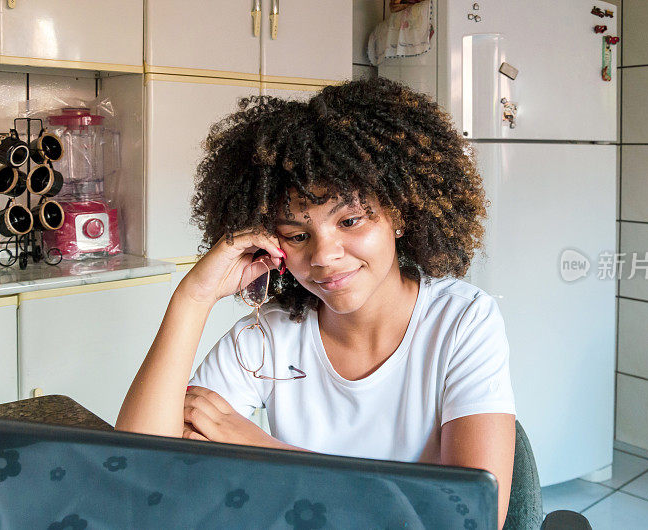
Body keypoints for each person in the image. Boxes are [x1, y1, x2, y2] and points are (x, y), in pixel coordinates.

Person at [116, 77, 516, 528]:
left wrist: (262, 449)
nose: (324, 255)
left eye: (350, 221)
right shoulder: (269, 335)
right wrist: (194, 296)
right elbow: (138, 469)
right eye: (297, 235)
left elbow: (470, 519)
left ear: (398, 214)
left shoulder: (462, 321)